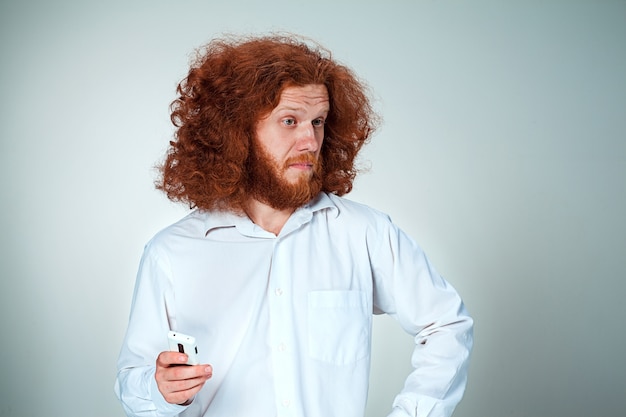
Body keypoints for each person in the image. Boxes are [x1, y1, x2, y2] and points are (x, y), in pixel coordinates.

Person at [115, 34, 473, 417]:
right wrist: (162, 390)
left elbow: (446, 324)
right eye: (290, 121)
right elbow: (133, 383)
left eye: (318, 122)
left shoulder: (363, 233)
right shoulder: (171, 253)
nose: (310, 140)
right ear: (236, 132)